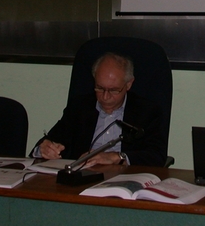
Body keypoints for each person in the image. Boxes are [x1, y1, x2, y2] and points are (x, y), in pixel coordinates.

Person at [30, 52, 167, 167]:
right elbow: (53, 140)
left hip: (124, 178)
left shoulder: (147, 111)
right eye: (100, 88)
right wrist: (43, 149)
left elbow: (157, 155)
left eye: (113, 90)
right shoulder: (80, 107)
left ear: (128, 84)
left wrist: (117, 157)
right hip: (83, 177)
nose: (105, 96)